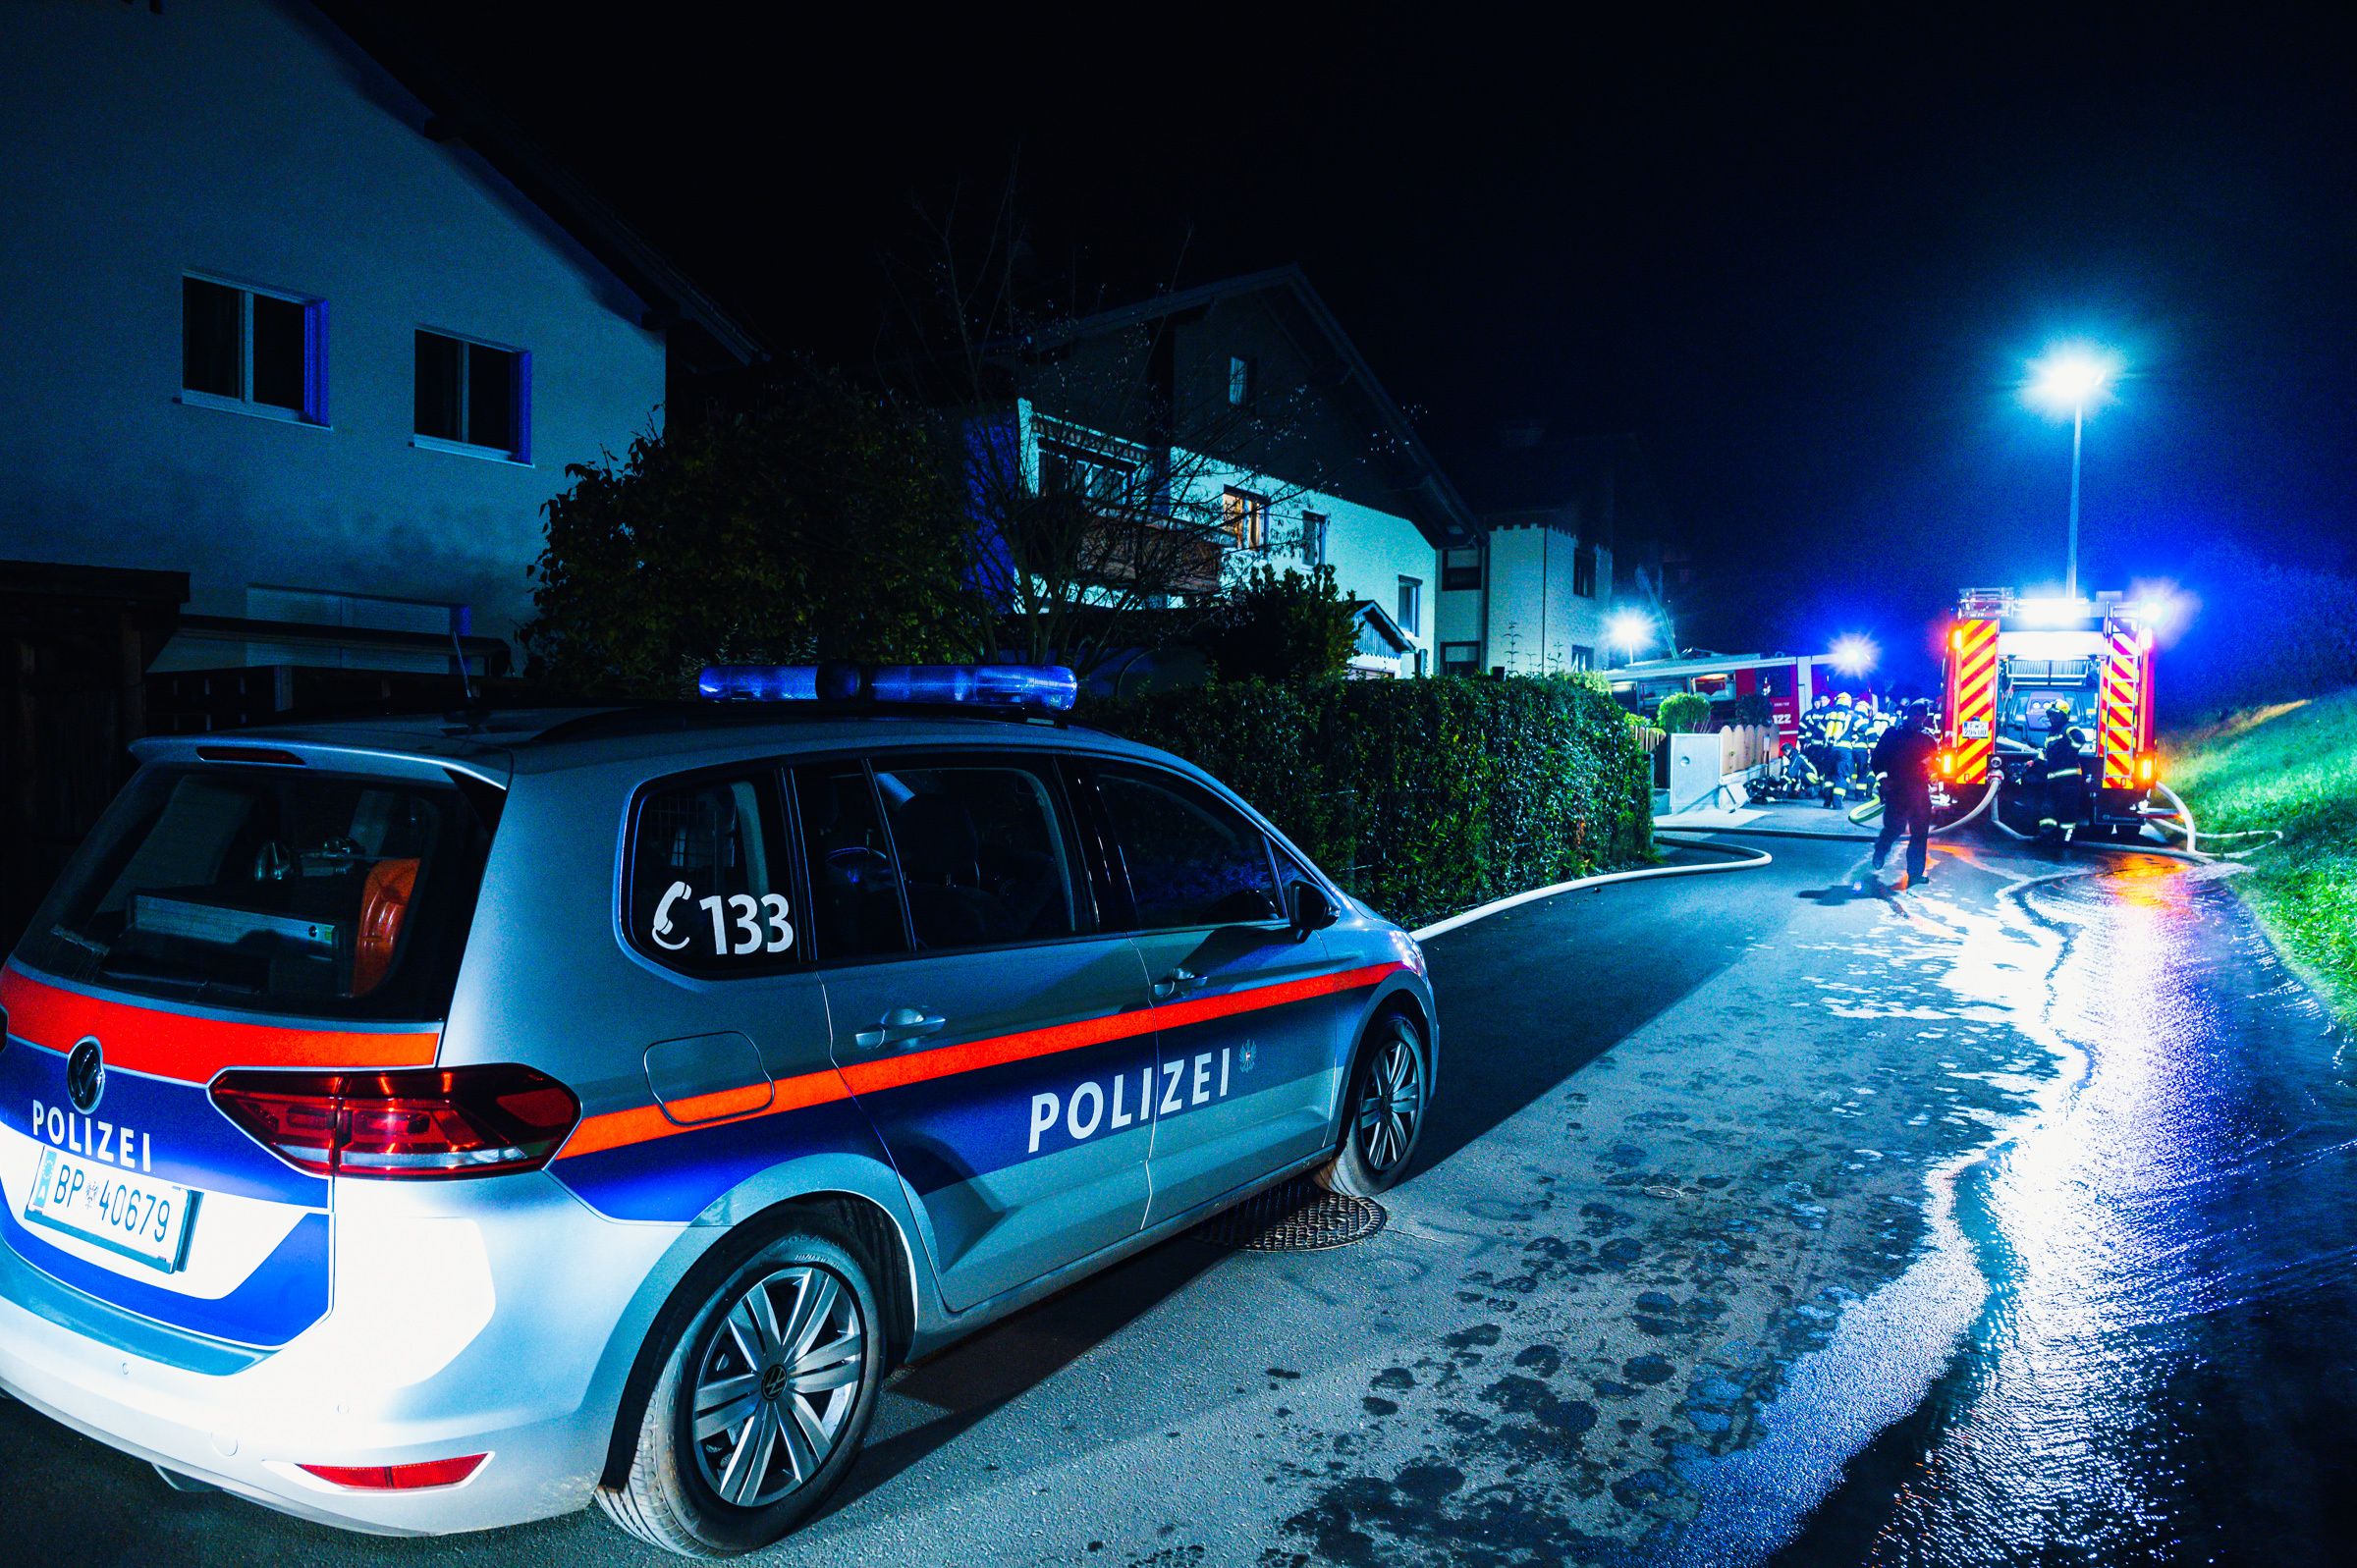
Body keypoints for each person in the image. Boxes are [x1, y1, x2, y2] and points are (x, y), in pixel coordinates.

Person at [1871, 699, 1940, 884]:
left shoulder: (1928, 738)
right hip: (1896, 788)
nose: (1918, 718)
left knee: (1920, 832)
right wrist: (1883, 779)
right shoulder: (1892, 735)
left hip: (1919, 791)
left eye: (1922, 715)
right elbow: (1876, 760)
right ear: (1907, 715)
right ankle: (1881, 850)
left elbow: (1935, 762)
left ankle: (1916, 874)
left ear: (1925, 718)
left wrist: (1932, 770)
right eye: (1915, 714)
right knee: (1895, 827)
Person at [1796, 691, 1838, 804]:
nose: (1818, 703)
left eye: (1820, 701)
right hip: (1813, 748)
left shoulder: (1830, 712)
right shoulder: (1809, 714)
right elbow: (1805, 730)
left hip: (1825, 747)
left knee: (1825, 768)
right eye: (1816, 701)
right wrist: (1804, 742)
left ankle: (1823, 789)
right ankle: (1817, 788)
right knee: (1814, 767)